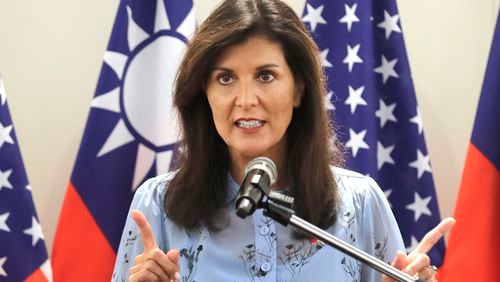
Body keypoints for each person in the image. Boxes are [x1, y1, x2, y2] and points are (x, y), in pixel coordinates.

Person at [112, 0, 454, 281]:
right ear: (205, 93)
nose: (246, 100)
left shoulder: (360, 203)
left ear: (299, 90)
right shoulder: (158, 204)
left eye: (265, 76)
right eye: (226, 78)